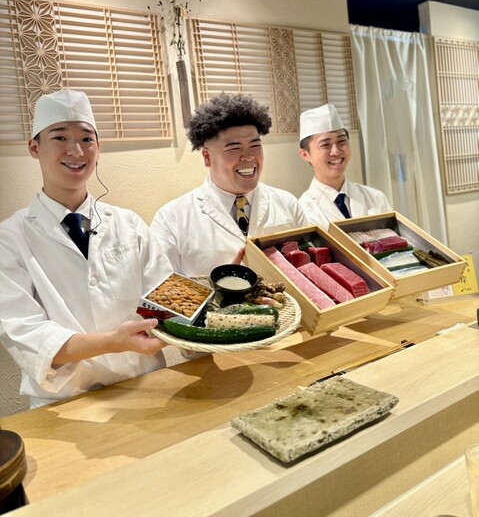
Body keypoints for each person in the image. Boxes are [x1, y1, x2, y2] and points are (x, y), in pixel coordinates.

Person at [0, 88, 172, 408]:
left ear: (98, 148)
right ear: (34, 147)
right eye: (60, 137)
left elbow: (165, 297)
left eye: (86, 138)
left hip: (145, 386)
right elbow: (27, 335)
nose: (76, 150)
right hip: (65, 403)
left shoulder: (129, 224)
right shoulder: (9, 238)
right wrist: (113, 342)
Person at [150, 93, 309, 276]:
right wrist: (220, 288)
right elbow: (161, 288)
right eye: (234, 148)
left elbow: (310, 266)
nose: (248, 157)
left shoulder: (288, 204)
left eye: (255, 146)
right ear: (207, 157)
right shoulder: (171, 219)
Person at [298, 103, 392, 227]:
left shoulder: (376, 198)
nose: (336, 151)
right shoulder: (303, 211)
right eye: (325, 145)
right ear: (305, 155)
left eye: (342, 141)